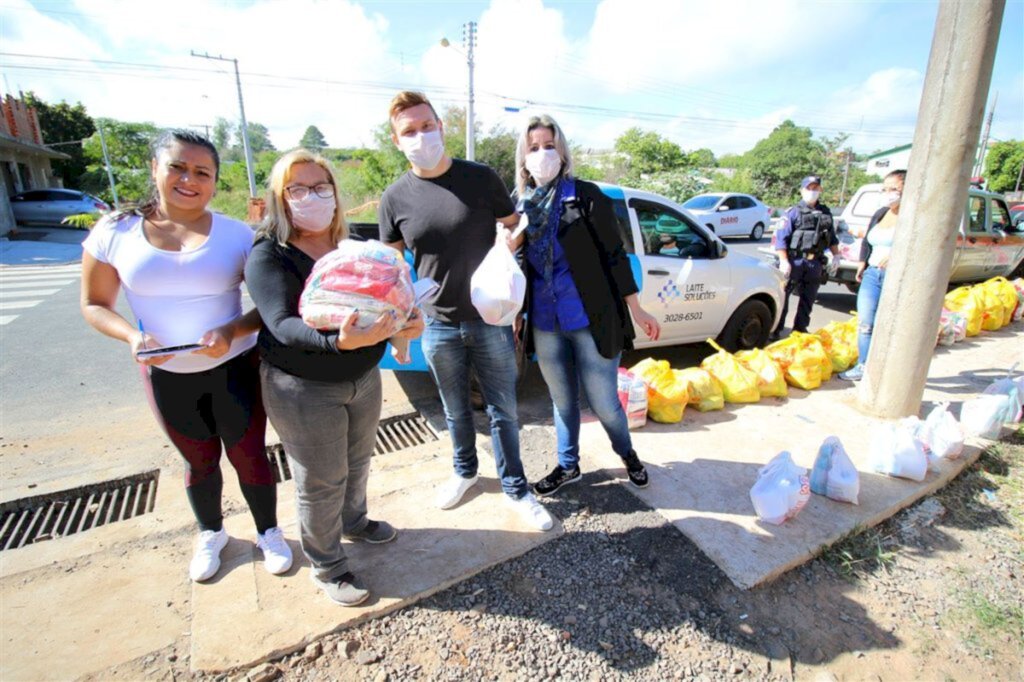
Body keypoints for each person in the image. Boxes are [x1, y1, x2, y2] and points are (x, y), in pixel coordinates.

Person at [80, 129, 292, 583]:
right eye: (177, 166)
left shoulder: (238, 236)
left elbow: (271, 305)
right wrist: (132, 338)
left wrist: (231, 330)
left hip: (235, 367)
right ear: (155, 168)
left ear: (214, 182)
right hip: (166, 373)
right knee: (198, 461)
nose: (188, 179)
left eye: (202, 172)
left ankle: (269, 531)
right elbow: (95, 304)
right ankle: (211, 533)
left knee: (250, 454)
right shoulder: (115, 231)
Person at [245, 149, 423, 606]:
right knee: (321, 479)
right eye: (298, 189)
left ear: (335, 193)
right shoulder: (270, 255)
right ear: (280, 198)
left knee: (358, 461)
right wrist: (337, 344)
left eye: (321, 187)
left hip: (363, 376)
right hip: (302, 386)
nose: (312, 197)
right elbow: (281, 323)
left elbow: (388, 294)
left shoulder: (352, 245)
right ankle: (326, 564)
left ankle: (355, 523)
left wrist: (407, 318)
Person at [378, 91, 553, 531]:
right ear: (397, 141)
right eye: (409, 131)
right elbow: (394, 270)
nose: (421, 136)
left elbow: (516, 229)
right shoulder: (394, 198)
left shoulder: (480, 178)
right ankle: (465, 472)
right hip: (436, 322)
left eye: (426, 125)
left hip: (490, 318)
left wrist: (509, 254)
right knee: (454, 410)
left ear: (441, 125)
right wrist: (399, 332)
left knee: (503, 409)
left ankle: (516, 487)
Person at [513, 115, 661, 497]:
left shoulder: (585, 195)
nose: (542, 154)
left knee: (604, 402)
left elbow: (615, 255)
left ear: (562, 151)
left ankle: (627, 454)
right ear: (523, 157)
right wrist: (513, 312)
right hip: (545, 321)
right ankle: (568, 465)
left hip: (590, 317)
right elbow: (514, 266)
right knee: (561, 402)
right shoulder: (520, 206)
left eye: (549, 146)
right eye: (533, 148)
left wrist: (637, 309)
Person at [839, 169, 907, 381]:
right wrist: (862, 263)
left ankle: (886, 367)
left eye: (893, 189)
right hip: (872, 273)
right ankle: (863, 365)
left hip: (895, 277)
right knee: (866, 321)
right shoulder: (881, 213)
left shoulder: (911, 218)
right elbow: (868, 241)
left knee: (889, 324)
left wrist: (896, 256)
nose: (888, 193)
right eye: (885, 189)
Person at [771, 175, 840, 337]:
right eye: (809, 188)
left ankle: (800, 330)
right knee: (784, 297)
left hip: (814, 262)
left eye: (815, 188)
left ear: (820, 190)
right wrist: (783, 260)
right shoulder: (792, 213)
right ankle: (777, 330)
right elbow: (781, 239)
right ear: (802, 190)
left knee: (808, 298)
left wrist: (837, 255)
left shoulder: (825, 213)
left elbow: (832, 238)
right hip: (795, 260)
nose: (812, 191)